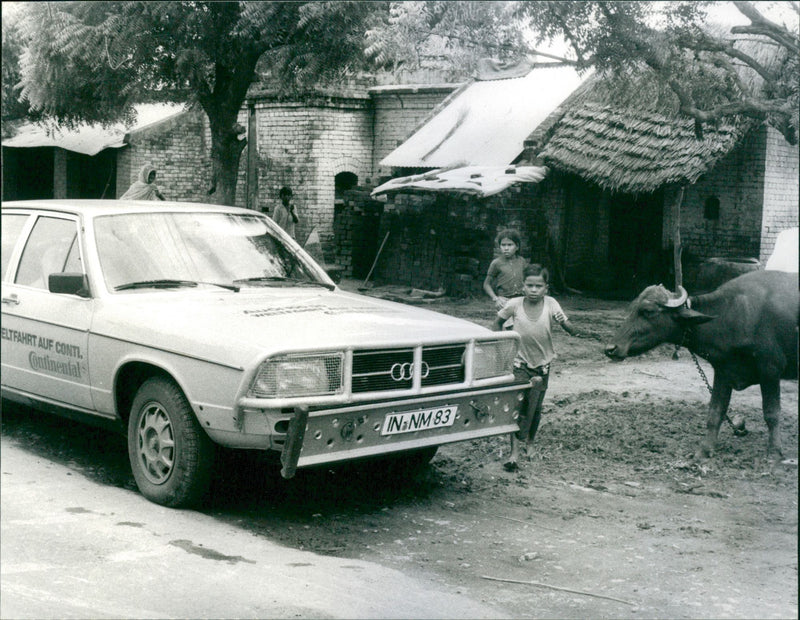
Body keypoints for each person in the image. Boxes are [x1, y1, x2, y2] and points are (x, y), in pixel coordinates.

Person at [492, 263, 579, 472]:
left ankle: (530, 444)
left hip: (543, 365)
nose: (533, 290)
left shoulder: (551, 304)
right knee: (518, 406)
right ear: (523, 286)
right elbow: (496, 323)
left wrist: (564, 323)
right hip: (519, 363)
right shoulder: (514, 304)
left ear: (546, 288)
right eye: (529, 285)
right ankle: (514, 453)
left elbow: (571, 330)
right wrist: (501, 344)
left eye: (538, 286)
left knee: (536, 407)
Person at [483, 228, 528, 312]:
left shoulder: (522, 261)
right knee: (507, 324)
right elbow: (486, 284)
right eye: (503, 245)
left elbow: (527, 279)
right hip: (504, 301)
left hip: (521, 300)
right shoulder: (496, 263)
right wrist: (496, 299)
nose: (506, 248)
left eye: (510, 245)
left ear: (517, 246)